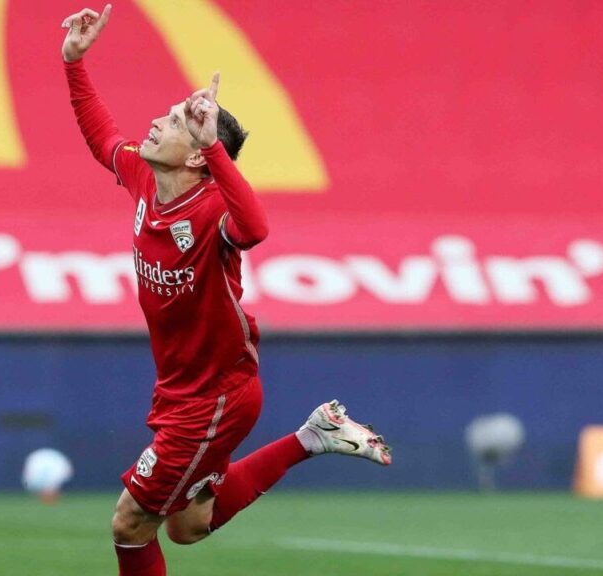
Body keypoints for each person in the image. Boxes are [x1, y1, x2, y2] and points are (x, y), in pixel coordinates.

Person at [60, 6, 392, 575]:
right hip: (180, 391)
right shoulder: (145, 180)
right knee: (187, 527)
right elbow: (101, 136)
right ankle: (313, 436)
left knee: (129, 524)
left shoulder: (213, 206)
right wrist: (75, 62)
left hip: (216, 396)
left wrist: (215, 146)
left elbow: (257, 229)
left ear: (196, 155)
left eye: (174, 121)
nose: (158, 122)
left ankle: (314, 436)